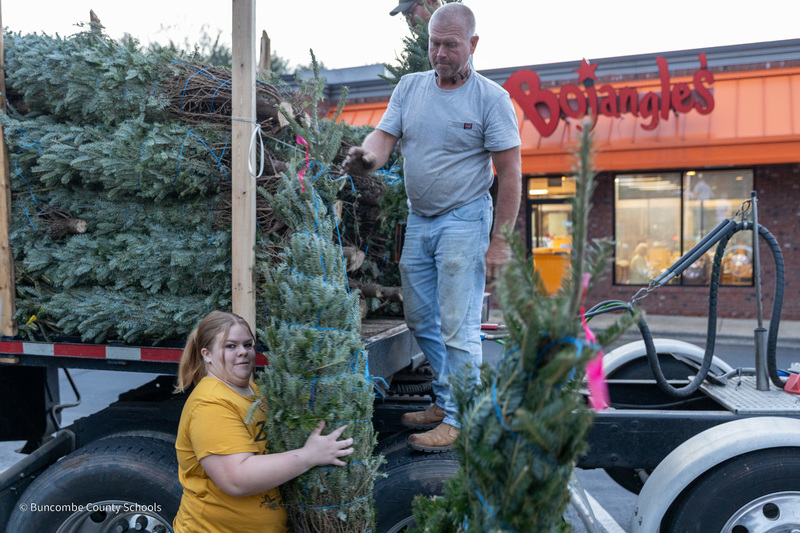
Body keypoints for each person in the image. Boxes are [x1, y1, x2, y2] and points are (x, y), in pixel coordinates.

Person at [344, 3, 521, 452]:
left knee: (458, 325)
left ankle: (463, 419)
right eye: (433, 43)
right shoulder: (410, 87)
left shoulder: (491, 100)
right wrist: (368, 158)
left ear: (473, 45)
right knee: (421, 317)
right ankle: (445, 400)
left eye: (450, 45)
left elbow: (511, 173)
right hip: (421, 220)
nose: (439, 53)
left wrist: (500, 242)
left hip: (465, 219)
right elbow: (384, 137)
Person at [172, 311, 354, 533]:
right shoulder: (210, 404)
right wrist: (309, 456)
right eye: (231, 346)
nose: (243, 352)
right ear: (207, 354)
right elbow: (236, 479)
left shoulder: (253, 391)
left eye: (248, 344)